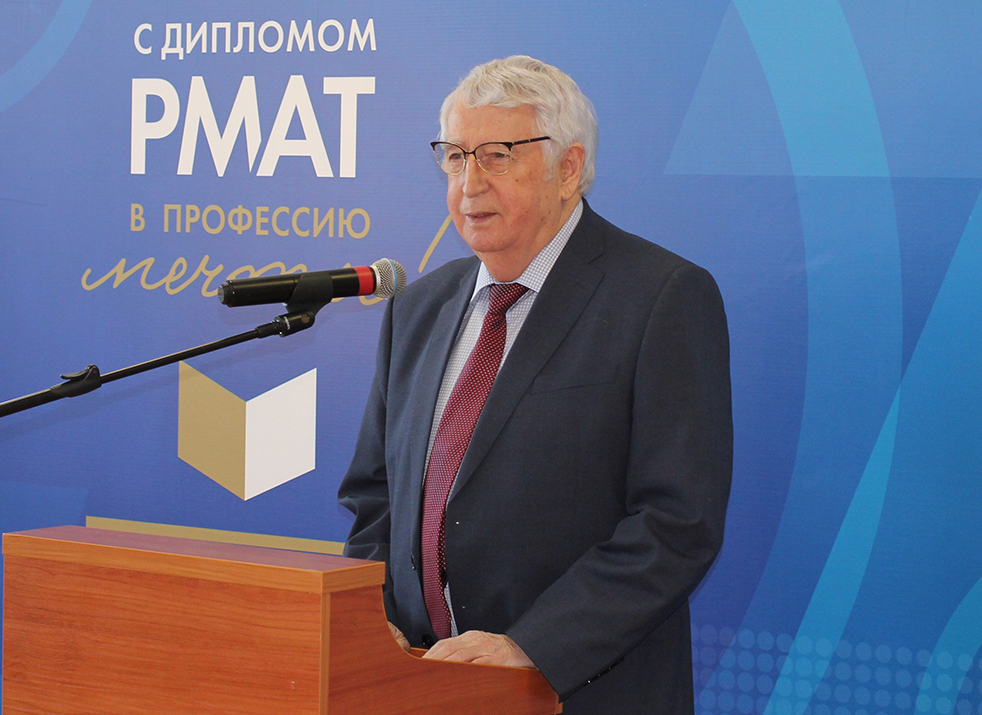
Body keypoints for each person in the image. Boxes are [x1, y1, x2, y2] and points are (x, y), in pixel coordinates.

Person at [338, 55, 732, 715]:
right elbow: (375, 496)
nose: (470, 184)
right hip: (419, 685)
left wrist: (532, 647)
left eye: (496, 156)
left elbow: (676, 523)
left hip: (579, 690)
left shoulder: (660, 297)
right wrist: (374, 623)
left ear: (568, 169)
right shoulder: (417, 307)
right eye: (455, 157)